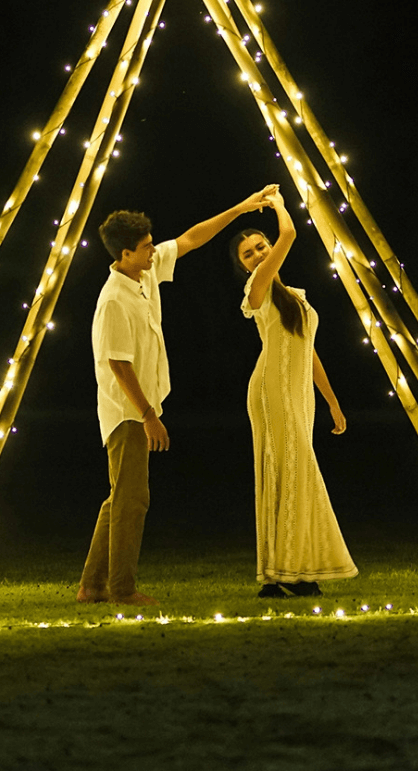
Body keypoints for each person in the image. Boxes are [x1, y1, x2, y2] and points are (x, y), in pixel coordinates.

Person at [78, 188, 277, 607]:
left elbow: (191, 238)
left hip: (139, 407)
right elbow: (118, 364)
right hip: (126, 411)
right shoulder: (114, 299)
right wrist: (148, 415)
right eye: (146, 247)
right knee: (132, 500)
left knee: (120, 498)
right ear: (126, 254)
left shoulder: (144, 274)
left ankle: (92, 585)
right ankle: (121, 588)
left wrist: (241, 207)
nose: (154, 251)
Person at [230, 187, 358, 598]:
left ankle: (283, 573)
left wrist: (332, 401)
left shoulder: (293, 297)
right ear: (243, 266)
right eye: (248, 253)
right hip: (272, 391)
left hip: (298, 393)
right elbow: (289, 235)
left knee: (293, 476)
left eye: (260, 247)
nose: (257, 255)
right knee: (288, 474)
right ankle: (288, 573)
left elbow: (309, 351)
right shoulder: (258, 286)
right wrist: (279, 205)